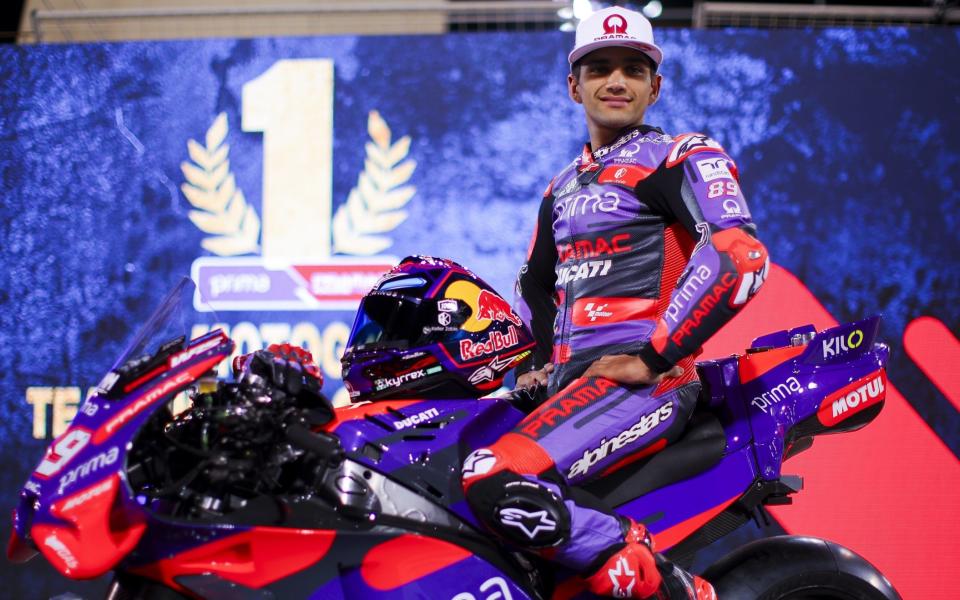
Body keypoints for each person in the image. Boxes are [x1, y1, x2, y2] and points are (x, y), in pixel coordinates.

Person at [460, 6, 768, 599]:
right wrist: (535, 364)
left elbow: (738, 254)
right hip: (570, 392)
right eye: (599, 68)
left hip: (642, 387)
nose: (617, 81)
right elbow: (534, 287)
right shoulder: (561, 186)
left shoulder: (682, 154)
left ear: (656, 85)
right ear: (573, 86)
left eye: (633, 68)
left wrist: (652, 358)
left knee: (492, 477)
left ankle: (672, 586)